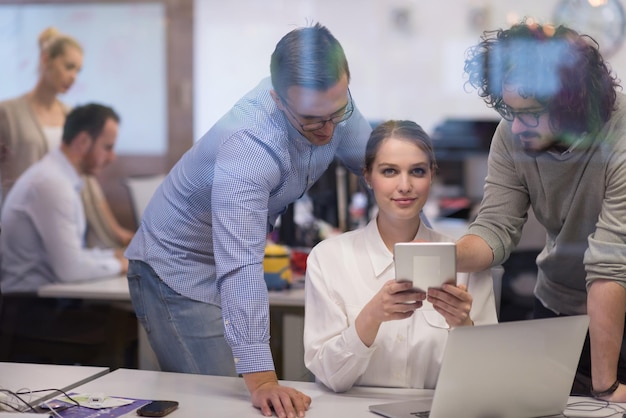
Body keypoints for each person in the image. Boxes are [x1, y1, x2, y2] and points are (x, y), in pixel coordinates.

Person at [124, 23, 372, 417]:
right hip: (178, 268)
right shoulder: (250, 146)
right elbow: (240, 266)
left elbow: (376, 165)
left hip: (227, 256)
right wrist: (263, 381)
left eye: (337, 113)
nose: (328, 130)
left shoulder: (331, 102)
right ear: (277, 99)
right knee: (229, 406)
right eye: (311, 119)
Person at [460, 19, 626, 401]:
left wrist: (607, 387)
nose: (516, 128)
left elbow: (609, 266)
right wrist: (449, 256)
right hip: (558, 309)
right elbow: (495, 227)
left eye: (530, 113)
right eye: (508, 110)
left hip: (616, 304)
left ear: (573, 104)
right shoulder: (511, 132)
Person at [303, 120, 498, 392]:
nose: (404, 185)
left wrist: (464, 325)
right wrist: (371, 317)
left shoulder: (464, 262)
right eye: (390, 171)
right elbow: (329, 375)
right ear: (368, 176)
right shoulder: (329, 258)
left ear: (432, 175)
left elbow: (487, 382)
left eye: (417, 171)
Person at [0, 26, 133, 248]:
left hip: (63, 223)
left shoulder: (70, 116)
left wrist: (116, 230)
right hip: (23, 226)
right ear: (46, 60)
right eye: (69, 67)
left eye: (78, 71)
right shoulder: (8, 113)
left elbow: (88, 182)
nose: (73, 77)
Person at [0, 103, 128, 292]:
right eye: (107, 147)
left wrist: (113, 256)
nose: (112, 157)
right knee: (133, 316)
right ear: (83, 141)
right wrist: (122, 265)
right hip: (31, 308)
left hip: (46, 301)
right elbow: (70, 270)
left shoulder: (59, 178)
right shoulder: (52, 184)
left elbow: (73, 255)